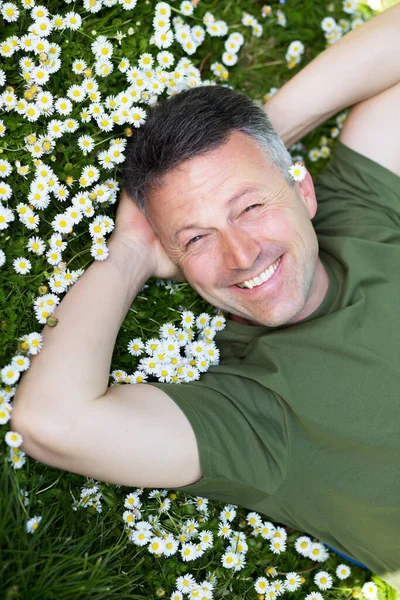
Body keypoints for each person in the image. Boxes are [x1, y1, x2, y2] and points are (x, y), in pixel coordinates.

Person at [11, 3, 400, 593]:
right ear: (174, 261)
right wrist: (127, 258)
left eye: (250, 206)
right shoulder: (257, 417)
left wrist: (259, 133)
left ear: (304, 192)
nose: (242, 255)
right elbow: (51, 423)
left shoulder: (361, 212)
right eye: (195, 238)